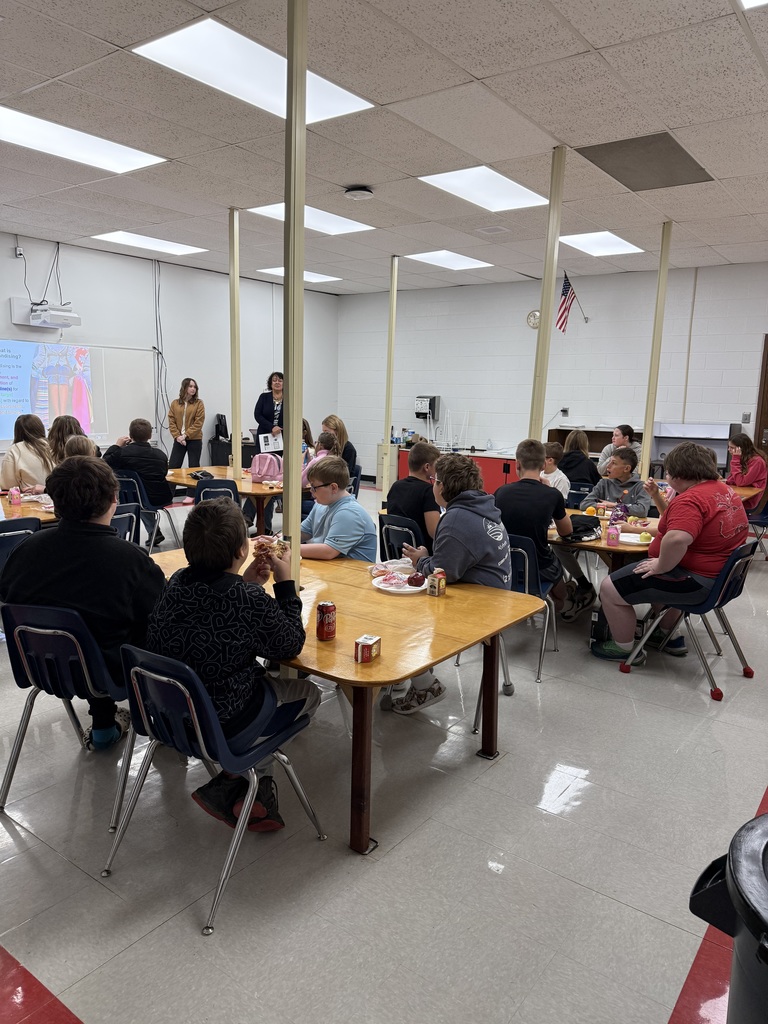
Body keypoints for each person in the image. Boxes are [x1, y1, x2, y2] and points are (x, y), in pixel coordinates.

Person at [146, 498, 320, 831]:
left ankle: (244, 788)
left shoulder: (177, 582)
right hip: (222, 724)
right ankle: (239, 776)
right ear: (242, 550)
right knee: (308, 693)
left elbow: (212, 616)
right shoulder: (246, 600)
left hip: (172, 718)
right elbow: (289, 644)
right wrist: (285, 583)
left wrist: (246, 582)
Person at [0, 456, 165, 749]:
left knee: (85, 624)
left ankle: (104, 726)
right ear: (114, 499)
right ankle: (164, 724)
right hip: (110, 673)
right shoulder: (130, 561)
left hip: (39, 667)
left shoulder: (23, 552)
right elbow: (161, 622)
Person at [592, 442, 749, 662]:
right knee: (658, 569)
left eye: (668, 472)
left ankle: (623, 647)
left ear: (677, 474)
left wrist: (661, 565)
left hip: (698, 583)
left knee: (609, 588)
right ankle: (665, 634)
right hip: (723, 581)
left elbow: (677, 539)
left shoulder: (690, 499)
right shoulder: (725, 491)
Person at [398, 453, 511, 715]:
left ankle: (424, 684)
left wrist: (421, 560)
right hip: (498, 597)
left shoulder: (456, 518)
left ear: (443, 486)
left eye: (434, 480)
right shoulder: (485, 506)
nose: (432, 484)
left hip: (480, 607)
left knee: (400, 613)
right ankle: (411, 675)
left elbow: (443, 573)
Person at [494, 439, 572, 611]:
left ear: (517, 464)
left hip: (504, 567)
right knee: (562, 596)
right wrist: (550, 490)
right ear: (544, 465)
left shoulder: (501, 492)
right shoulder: (552, 495)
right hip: (539, 567)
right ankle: (552, 612)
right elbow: (567, 532)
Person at [103, 418, 174, 546]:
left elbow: (104, 464)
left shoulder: (121, 453)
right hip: (159, 497)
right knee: (141, 497)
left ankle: (140, 532)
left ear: (130, 435)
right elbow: (163, 472)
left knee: (136, 496)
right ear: (150, 435)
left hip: (131, 498)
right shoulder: (160, 455)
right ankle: (154, 531)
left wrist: (117, 446)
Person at [300, 456, 376, 562]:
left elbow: (328, 551)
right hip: (332, 570)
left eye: (314, 487)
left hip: (353, 575)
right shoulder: (321, 504)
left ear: (333, 488)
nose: (311, 491)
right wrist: (279, 540)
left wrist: (288, 548)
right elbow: (304, 531)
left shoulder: (349, 512)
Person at [385, 441, 441, 554]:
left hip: (395, 552)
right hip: (421, 555)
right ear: (427, 467)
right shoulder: (428, 492)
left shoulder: (396, 486)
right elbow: (435, 532)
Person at [579, 448, 651, 517]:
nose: (608, 465)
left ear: (626, 468)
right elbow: (584, 504)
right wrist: (606, 506)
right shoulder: (604, 483)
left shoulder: (641, 487)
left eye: (614, 463)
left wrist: (615, 506)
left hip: (627, 527)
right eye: (609, 462)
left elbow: (642, 511)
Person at [0, 414, 55, 492]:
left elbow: (8, 486)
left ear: (17, 431)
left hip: (28, 500)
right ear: (41, 428)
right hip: (56, 498)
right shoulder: (54, 446)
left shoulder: (14, 450)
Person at [168, 378, 205, 470]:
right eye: (190, 386)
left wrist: (185, 436)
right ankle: (169, 485)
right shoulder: (175, 403)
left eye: (195, 387)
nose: (193, 389)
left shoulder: (199, 403)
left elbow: (198, 423)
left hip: (194, 439)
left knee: (193, 467)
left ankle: (192, 485)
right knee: (173, 466)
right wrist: (177, 436)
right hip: (179, 439)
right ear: (184, 387)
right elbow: (171, 421)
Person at [300, 431, 340, 517]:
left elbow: (300, 483)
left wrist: (302, 462)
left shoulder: (316, 461)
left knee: (290, 503)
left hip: (320, 504)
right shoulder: (336, 459)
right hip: (335, 503)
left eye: (316, 442)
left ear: (320, 445)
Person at [726, 432, 767, 511]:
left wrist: (735, 460)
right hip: (739, 495)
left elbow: (741, 482)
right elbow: (732, 480)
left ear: (741, 449)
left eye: (732, 447)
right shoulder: (743, 458)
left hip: (748, 501)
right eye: (729, 447)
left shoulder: (757, 461)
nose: (729, 450)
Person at [253, 371, 284, 453]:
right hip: (265, 435)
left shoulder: (289, 399)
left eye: (280, 380)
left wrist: (279, 428)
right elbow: (257, 415)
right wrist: (272, 427)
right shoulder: (264, 397)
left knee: (279, 463)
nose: (277, 382)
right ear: (270, 384)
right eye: (274, 380)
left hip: (282, 436)